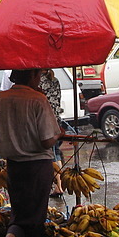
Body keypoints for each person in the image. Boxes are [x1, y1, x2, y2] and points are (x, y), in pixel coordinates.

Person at [0, 69, 63, 237]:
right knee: (34, 222)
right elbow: (46, 140)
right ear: (32, 76)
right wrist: (59, 133)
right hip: (37, 167)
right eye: (38, 74)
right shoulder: (37, 99)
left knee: (19, 215)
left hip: (14, 166)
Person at [39, 69, 65, 197]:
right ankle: (58, 185)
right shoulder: (55, 81)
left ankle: (58, 186)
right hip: (56, 121)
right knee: (56, 152)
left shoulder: (39, 82)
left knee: (52, 154)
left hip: (45, 122)